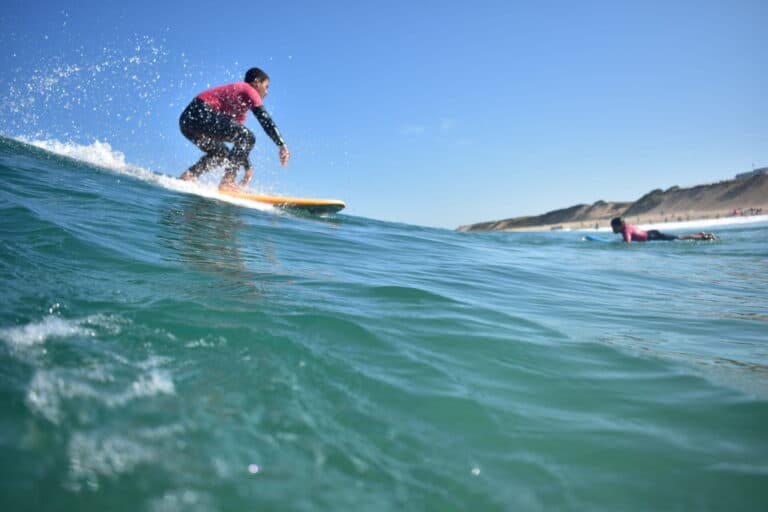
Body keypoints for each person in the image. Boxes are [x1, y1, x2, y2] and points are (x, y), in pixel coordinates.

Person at [178, 67, 290, 191]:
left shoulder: (241, 112)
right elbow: (264, 119)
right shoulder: (248, 89)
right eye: (266, 86)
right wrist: (282, 145)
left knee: (222, 154)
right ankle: (227, 182)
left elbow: (240, 144)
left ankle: (189, 175)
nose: (267, 92)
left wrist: (248, 167)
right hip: (199, 111)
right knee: (248, 137)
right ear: (256, 83)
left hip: (187, 122)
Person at [610, 217, 716, 242]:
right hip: (651, 233)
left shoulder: (626, 230)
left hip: (652, 236)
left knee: (679, 238)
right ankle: (699, 235)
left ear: (619, 226)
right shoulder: (627, 226)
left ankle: (703, 237)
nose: (613, 229)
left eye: (613, 227)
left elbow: (628, 242)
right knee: (678, 237)